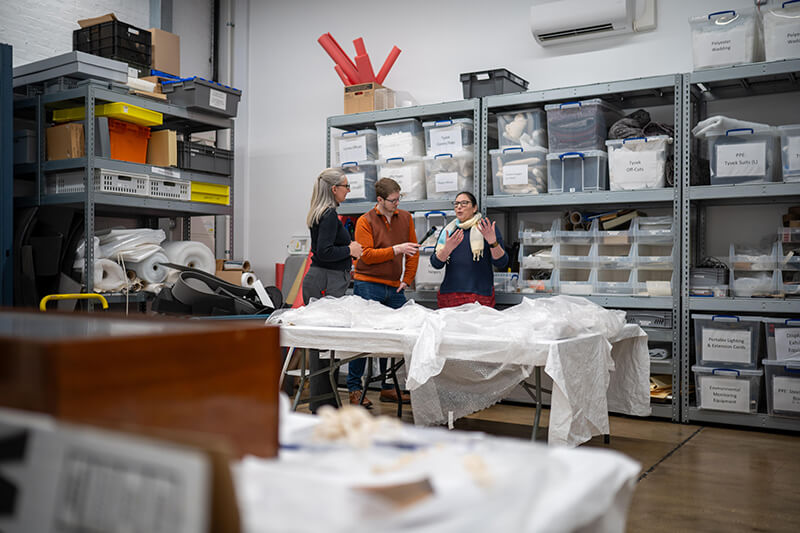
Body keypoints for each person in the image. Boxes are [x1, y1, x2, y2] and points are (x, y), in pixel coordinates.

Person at [348, 178, 420, 407]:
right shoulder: (364, 221)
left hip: (393, 286)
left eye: (399, 199)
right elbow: (366, 255)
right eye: (392, 200)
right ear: (379, 200)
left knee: (397, 336)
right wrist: (396, 249)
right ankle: (354, 389)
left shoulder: (406, 218)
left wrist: (407, 279)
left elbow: (414, 251)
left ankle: (388, 386)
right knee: (362, 339)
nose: (397, 203)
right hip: (367, 284)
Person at [303, 168, 362, 413]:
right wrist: (350, 250)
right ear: (333, 189)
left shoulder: (323, 213)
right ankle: (322, 403)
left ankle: (323, 401)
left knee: (324, 344)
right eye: (346, 186)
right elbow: (324, 252)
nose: (348, 190)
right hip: (325, 280)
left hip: (326, 278)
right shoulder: (328, 215)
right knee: (323, 344)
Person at [431, 191, 508, 308]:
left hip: (479, 295)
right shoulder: (449, 231)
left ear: (474, 208)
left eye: (464, 203)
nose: (459, 207)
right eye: (456, 204)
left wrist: (493, 242)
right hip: (450, 295)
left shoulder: (486, 228)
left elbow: (501, 263)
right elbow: (436, 264)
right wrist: (446, 250)